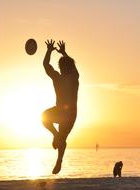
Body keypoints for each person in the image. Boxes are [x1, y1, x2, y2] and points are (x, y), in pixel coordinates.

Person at [41, 39, 79, 174]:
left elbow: (45, 64)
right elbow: (71, 64)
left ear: (62, 68)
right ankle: (59, 157)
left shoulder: (57, 77)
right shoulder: (75, 77)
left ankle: (56, 136)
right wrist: (63, 53)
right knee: (61, 138)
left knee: (44, 117)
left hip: (62, 113)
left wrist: (49, 50)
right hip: (71, 114)